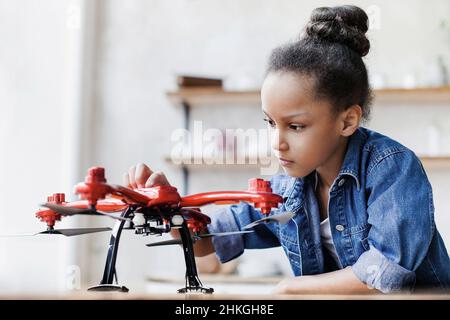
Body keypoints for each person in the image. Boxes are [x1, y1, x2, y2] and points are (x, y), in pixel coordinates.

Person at [123, 5, 450, 294]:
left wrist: (293, 287)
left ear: (347, 120)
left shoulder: (391, 168)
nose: (277, 142)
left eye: (295, 126)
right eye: (270, 123)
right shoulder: (285, 188)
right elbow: (207, 239)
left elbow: (383, 276)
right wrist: (167, 208)